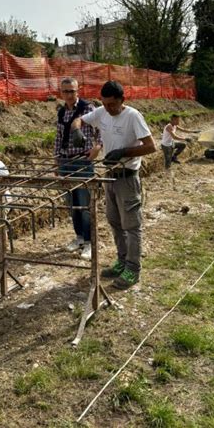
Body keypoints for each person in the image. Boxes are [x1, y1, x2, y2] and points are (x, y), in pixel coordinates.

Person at [71, 80, 156, 289]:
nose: (108, 109)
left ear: (122, 100)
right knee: (115, 221)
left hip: (127, 178)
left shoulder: (133, 117)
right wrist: (77, 130)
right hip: (109, 176)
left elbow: (151, 146)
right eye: (105, 104)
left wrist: (124, 152)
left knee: (132, 226)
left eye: (112, 105)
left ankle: (133, 269)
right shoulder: (102, 112)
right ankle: (122, 261)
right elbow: (79, 120)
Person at [54, 78, 100, 261]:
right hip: (66, 161)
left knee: (84, 204)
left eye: (72, 91)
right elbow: (58, 138)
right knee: (72, 204)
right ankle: (79, 237)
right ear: (61, 93)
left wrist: (98, 146)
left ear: (77, 90)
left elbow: (102, 129)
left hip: (82, 161)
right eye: (65, 91)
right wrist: (56, 161)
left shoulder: (88, 109)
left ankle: (89, 242)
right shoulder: (61, 112)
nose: (69, 95)